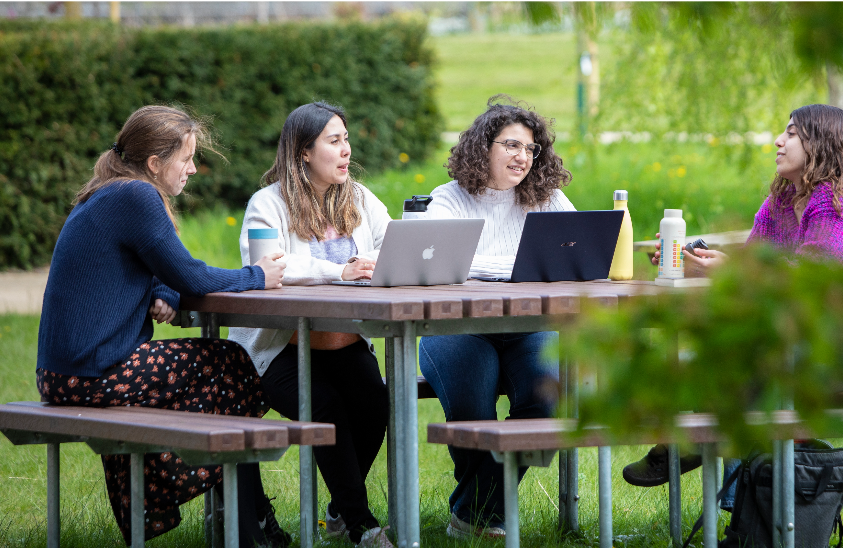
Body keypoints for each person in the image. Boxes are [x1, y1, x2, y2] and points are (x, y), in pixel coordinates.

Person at [35, 105, 288, 547]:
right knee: (232, 364)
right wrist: (257, 276)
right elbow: (189, 274)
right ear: (155, 163)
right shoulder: (137, 196)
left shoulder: (110, 192)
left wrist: (166, 291)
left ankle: (220, 511)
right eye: (186, 158)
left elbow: (159, 270)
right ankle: (225, 514)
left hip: (66, 375)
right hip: (94, 373)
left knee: (220, 370)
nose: (192, 169)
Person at [623, 104, 843, 491]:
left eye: (792, 133)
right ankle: (732, 497)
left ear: (823, 145)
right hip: (801, 341)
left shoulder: (836, 204)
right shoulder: (780, 202)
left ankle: (700, 462)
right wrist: (697, 265)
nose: (779, 141)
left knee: (745, 367)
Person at [227, 102, 393, 548]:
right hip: (279, 347)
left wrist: (380, 260)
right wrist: (339, 271)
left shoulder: (356, 197)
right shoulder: (269, 203)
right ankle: (362, 525)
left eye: (346, 139)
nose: (346, 150)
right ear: (303, 151)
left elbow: (392, 241)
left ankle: (340, 509)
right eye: (334, 141)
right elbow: (266, 265)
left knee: (377, 406)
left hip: (342, 341)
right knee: (326, 408)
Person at [419, 95, 574, 538]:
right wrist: (526, 265)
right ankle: (485, 513)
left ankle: (472, 511)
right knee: (472, 408)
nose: (522, 156)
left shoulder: (549, 198)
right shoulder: (447, 199)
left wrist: (518, 264)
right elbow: (446, 262)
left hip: (527, 329)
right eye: (511, 145)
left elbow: (576, 254)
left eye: (530, 149)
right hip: (456, 329)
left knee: (547, 396)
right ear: (483, 146)